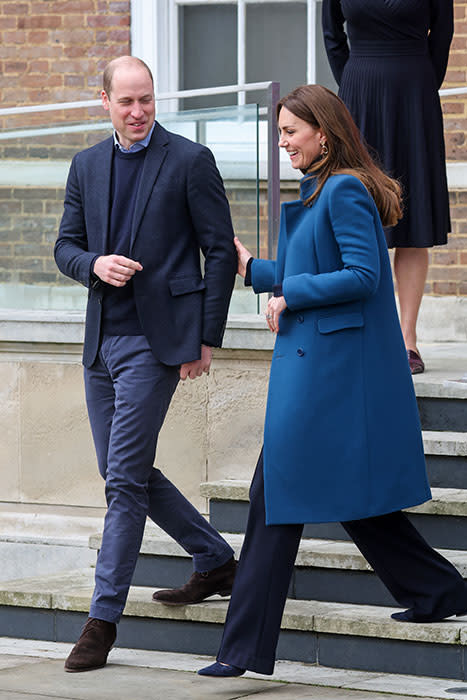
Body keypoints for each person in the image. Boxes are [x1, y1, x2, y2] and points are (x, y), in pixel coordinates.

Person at [197, 84, 467, 679]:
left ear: (325, 131)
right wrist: (255, 270)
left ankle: (240, 651)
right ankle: (440, 592)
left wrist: (289, 292)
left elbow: (365, 276)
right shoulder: (320, 187)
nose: (283, 142)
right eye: (280, 133)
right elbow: (311, 268)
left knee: (275, 499)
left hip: (334, 377)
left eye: (292, 131)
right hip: (321, 370)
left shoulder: (343, 188)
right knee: (350, 501)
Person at [54, 55, 238, 673]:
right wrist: (94, 265)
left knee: (123, 483)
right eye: (126, 101)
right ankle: (214, 558)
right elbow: (65, 246)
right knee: (121, 470)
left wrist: (204, 336)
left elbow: (218, 249)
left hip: (156, 345)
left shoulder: (190, 160)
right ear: (103, 99)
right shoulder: (85, 165)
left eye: (147, 101)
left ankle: (101, 621)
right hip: (100, 341)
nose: (138, 113)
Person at [322, 0, 454, 374]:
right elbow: (333, 37)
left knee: (413, 224)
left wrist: (423, 83)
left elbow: (442, 37)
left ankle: (407, 341)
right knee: (359, 215)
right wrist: (352, 83)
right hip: (359, 94)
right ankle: (363, 334)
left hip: (415, 93)